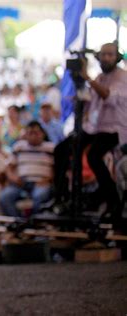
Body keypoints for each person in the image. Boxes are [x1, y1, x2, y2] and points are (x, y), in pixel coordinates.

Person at [53, 42, 127, 220]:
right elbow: (92, 102)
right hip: (95, 127)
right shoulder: (100, 77)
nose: (106, 58)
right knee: (62, 149)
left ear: (117, 57)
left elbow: (107, 96)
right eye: (103, 54)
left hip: (114, 129)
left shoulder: (122, 77)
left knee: (94, 155)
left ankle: (113, 200)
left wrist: (87, 76)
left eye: (110, 54)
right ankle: (63, 197)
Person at [0, 121, 54, 217]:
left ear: (42, 134)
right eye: (30, 133)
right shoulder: (19, 146)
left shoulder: (51, 148)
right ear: (26, 134)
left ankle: (33, 224)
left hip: (41, 183)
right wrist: (13, 178)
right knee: (4, 197)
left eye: (36, 133)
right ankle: (18, 223)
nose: (33, 136)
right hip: (20, 183)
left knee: (40, 196)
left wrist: (49, 180)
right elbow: (8, 167)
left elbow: (58, 169)